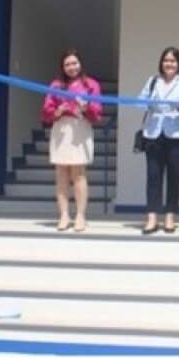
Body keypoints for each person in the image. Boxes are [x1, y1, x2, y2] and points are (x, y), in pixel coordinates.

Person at [138, 46, 179, 235]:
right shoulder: (153, 80)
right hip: (154, 134)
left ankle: (170, 216)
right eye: (166, 60)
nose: (169, 64)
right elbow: (139, 102)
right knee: (153, 176)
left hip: (178, 136)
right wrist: (150, 103)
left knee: (174, 176)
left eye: (172, 60)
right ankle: (152, 217)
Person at [40, 49, 102, 232]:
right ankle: (64, 215)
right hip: (61, 129)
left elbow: (97, 113)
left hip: (80, 128)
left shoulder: (91, 84)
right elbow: (46, 112)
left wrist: (86, 107)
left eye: (74, 63)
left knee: (79, 174)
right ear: (62, 67)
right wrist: (57, 111)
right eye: (67, 64)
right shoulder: (56, 85)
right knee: (61, 175)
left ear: (80, 64)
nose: (71, 67)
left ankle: (80, 216)